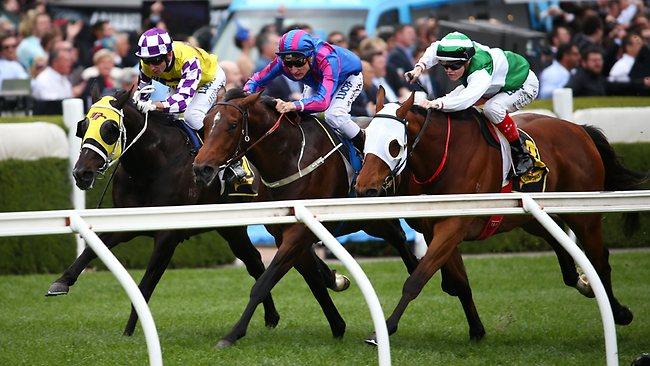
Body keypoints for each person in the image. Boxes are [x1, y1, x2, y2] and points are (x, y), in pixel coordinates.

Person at [132, 27, 253, 192]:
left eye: (156, 60)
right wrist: (141, 103)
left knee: (192, 115)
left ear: (168, 55)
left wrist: (154, 105)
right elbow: (142, 95)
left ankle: (237, 163)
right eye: (147, 61)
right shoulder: (145, 65)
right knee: (171, 119)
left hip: (209, 78)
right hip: (180, 81)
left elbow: (181, 102)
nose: (152, 67)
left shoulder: (188, 59)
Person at [406, 31, 538, 177]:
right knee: (448, 98)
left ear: (467, 61)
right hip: (495, 85)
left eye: (454, 66)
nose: (449, 71)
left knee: (492, 109)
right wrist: (419, 68)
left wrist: (436, 103)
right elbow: (435, 48)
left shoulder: (480, 71)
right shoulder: (462, 52)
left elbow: (465, 100)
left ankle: (521, 153)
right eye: (444, 66)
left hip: (523, 85)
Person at [244, 29, 365, 151]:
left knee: (334, 115)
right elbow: (256, 80)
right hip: (317, 80)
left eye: (299, 62)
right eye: (288, 63)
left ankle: (365, 146)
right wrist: (245, 97)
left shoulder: (327, 58)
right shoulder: (281, 63)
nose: (294, 70)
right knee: (303, 116)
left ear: (311, 57)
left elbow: (323, 102)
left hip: (346, 78)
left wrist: (293, 104)